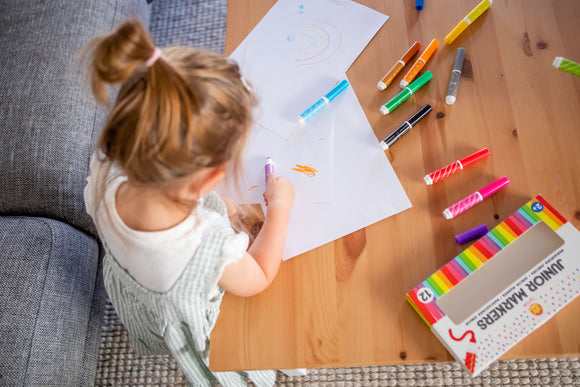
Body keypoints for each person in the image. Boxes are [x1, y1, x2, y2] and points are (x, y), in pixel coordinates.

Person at [83, 19, 295, 387]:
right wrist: (280, 208)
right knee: (257, 340)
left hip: (135, 278)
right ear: (207, 181)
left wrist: (216, 203)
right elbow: (257, 276)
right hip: (186, 306)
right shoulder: (205, 244)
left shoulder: (107, 164)